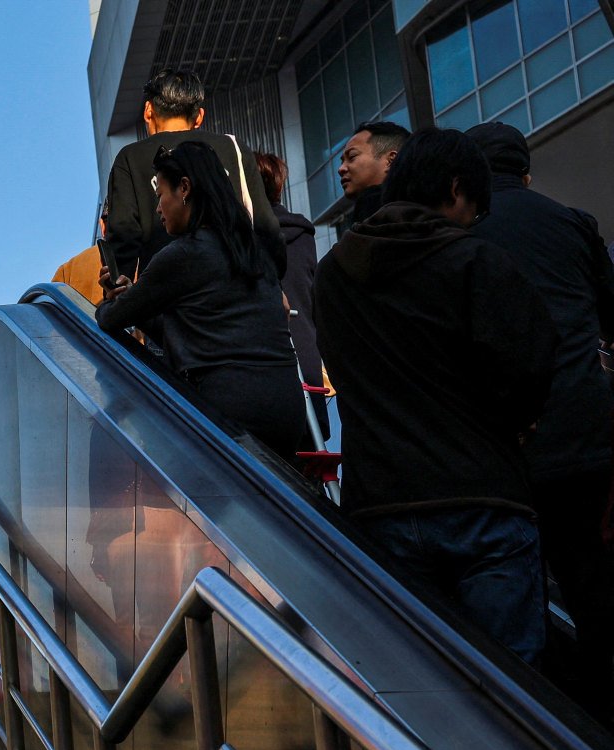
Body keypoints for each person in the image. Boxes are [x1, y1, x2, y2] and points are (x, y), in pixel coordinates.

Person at [314, 128, 559, 664]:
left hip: (378, 504)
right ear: (455, 190)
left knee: (416, 685)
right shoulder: (476, 261)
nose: (473, 221)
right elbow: (531, 364)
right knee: (514, 692)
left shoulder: (333, 276)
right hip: (482, 499)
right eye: (475, 208)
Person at [467, 121, 614, 715]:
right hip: (586, 431)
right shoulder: (572, 222)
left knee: (520, 580)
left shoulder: (463, 236)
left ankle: (547, 717)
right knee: (592, 576)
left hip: (506, 445)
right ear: (525, 171)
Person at [96, 141, 310, 462]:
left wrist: (115, 299)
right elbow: (198, 329)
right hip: (287, 410)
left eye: (160, 196)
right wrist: (133, 300)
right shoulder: (252, 250)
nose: (158, 209)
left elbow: (109, 319)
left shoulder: (183, 253)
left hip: (228, 414)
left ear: (184, 188)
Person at [101, 68, 284, 282]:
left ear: (148, 110)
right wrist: (272, 285)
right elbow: (265, 227)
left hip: (164, 296)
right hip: (233, 289)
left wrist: (117, 289)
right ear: (199, 117)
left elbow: (123, 238)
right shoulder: (231, 148)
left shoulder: (130, 158)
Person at [256, 151, 330, 439]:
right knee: (313, 463)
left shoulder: (243, 238)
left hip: (268, 364)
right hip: (306, 357)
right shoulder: (303, 234)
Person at [339, 121, 408, 225]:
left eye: (352, 156)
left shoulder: (372, 204)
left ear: (391, 160)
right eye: (342, 161)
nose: (341, 169)